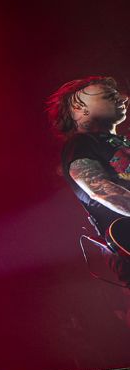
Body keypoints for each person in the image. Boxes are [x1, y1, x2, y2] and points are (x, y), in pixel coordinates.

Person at [47, 76, 130, 282]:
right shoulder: (81, 144)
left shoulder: (120, 142)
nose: (123, 98)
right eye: (108, 96)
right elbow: (100, 189)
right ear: (79, 108)